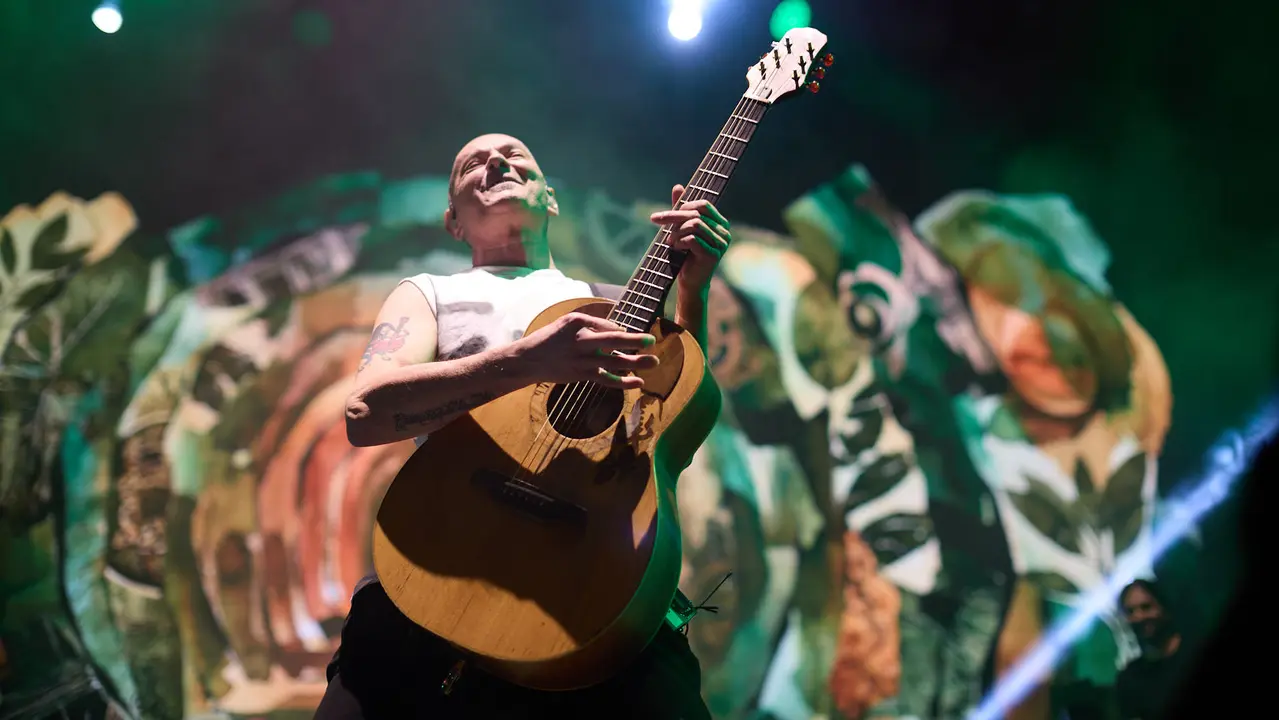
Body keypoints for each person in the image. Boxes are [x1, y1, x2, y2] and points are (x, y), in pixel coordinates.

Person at [315, 133, 731, 719]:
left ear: (552, 199)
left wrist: (693, 291)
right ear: (453, 221)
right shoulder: (430, 294)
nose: (496, 161)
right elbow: (365, 413)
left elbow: (679, 417)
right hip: (441, 560)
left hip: (591, 584)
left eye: (514, 155)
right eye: (471, 164)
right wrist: (532, 360)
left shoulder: (613, 304)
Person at [1115, 579, 1192, 719]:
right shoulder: (1130, 678)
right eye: (1130, 611)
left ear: (1164, 608)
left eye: (1146, 607)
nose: (1138, 617)